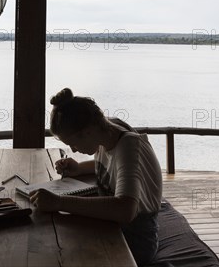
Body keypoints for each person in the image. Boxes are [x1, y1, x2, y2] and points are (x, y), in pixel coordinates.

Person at [30, 88, 163, 265]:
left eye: (73, 143)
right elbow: (117, 166)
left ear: (88, 131)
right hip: (113, 226)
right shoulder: (108, 130)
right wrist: (79, 168)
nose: (74, 150)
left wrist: (59, 202)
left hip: (136, 237)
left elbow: (126, 209)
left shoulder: (130, 146)